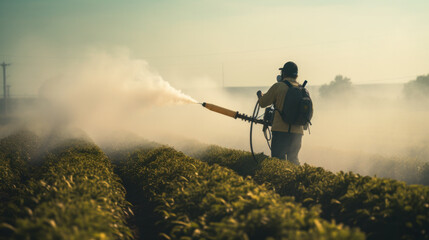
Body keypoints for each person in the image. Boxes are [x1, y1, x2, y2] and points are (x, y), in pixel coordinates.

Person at [257, 61, 305, 165]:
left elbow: (263, 103)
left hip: (280, 132)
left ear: (284, 73)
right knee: (293, 161)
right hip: (297, 133)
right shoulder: (303, 90)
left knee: (278, 162)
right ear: (296, 75)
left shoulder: (279, 86)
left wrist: (260, 95)